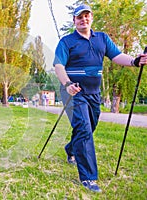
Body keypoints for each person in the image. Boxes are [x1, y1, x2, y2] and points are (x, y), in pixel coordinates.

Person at [53, 4, 147, 192]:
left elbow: (117, 56)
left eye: (86, 16)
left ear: (91, 18)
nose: (83, 19)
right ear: (74, 21)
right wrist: (67, 84)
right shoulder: (67, 41)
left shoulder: (102, 39)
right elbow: (58, 65)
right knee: (84, 128)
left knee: (90, 126)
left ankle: (71, 149)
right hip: (74, 92)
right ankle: (88, 177)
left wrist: (135, 61)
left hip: (94, 93)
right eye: (79, 17)